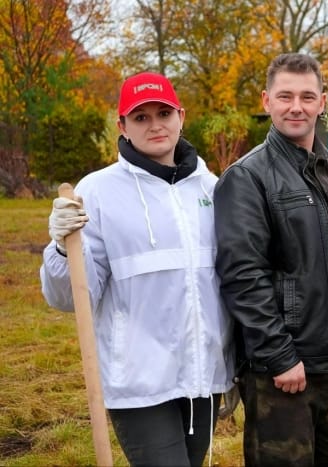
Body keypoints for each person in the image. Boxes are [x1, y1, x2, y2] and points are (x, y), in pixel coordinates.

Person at [40, 71, 234, 467]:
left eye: (163, 113)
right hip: (139, 381)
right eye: (141, 117)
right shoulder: (96, 192)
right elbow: (70, 298)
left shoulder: (211, 188)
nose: (155, 125)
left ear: (181, 116)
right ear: (122, 126)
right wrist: (61, 248)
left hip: (203, 377)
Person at [213, 52, 328, 467]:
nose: (296, 107)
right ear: (267, 101)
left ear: (323, 103)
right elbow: (242, 275)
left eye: (307, 96)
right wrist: (280, 356)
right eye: (285, 96)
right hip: (284, 371)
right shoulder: (247, 177)